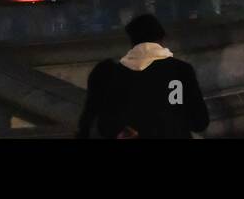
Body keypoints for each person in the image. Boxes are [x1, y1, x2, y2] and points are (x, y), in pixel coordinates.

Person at [77, 13, 208, 139]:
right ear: (161, 39)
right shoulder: (182, 70)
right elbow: (200, 122)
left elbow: (106, 126)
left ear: (133, 42)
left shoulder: (117, 74)